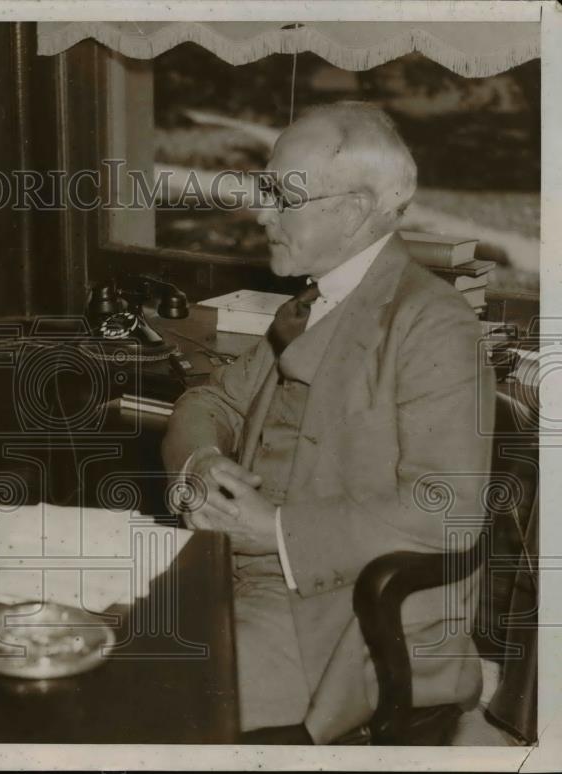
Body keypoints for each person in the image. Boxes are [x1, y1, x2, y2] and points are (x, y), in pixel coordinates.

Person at [162, 102, 495, 742]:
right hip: (242, 580)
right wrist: (202, 466)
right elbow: (209, 402)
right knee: (82, 638)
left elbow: (447, 510)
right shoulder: (313, 301)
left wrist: (275, 530)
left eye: (280, 197)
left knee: (142, 691)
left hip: (346, 621)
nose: (261, 214)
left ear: (348, 212)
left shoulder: (435, 323)